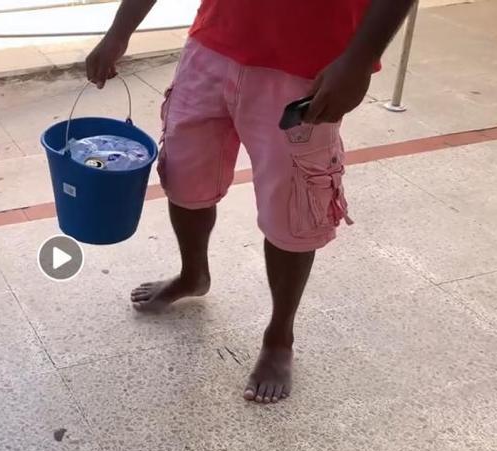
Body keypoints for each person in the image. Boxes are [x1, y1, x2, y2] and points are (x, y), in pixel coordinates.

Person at [86, 0, 415, 404]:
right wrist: (119, 32)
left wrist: (360, 61)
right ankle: (193, 274)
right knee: (185, 178)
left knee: (292, 210)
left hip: (307, 67)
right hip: (211, 46)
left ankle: (279, 335)